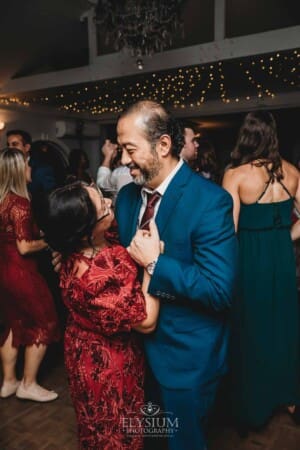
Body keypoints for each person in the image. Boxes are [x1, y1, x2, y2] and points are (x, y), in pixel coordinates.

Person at [115, 100, 238, 450]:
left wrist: (157, 263)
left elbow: (219, 290)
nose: (123, 160)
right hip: (134, 353)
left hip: (185, 359)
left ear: (164, 145)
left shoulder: (210, 201)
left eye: (130, 149)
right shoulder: (126, 197)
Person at [41, 181, 160, 449]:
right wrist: (153, 264)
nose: (109, 204)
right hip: (105, 364)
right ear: (86, 230)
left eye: (103, 198)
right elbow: (147, 320)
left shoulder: (90, 240)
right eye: (103, 207)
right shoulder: (92, 278)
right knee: (113, 432)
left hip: (85, 347)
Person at [222, 111, 300, 430]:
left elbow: (229, 231)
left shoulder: (236, 175)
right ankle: (288, 396)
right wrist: (283, 238)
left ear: (246, 136)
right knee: (283, 324)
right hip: (282, 259)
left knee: (252, 327)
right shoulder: (293, 173)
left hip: (249, 261)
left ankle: (256, 402)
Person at [0, 148, 60, 402]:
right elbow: (25, 246)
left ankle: (9, 381)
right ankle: (29, 383)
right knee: (45, 322)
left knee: (15, 325)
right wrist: (48, 241)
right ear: (17, 170)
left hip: (4, 271)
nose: (30, 168)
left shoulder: (2, 201)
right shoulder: (20, 204)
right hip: (22, 272)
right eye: (26, 164)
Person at [6, 129, 57, 199]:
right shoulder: (6, 167)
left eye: (14, 144)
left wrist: (26, 183)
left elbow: (52, 198)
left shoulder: (42, 169)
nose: (10, 148)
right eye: (8, 145)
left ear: (27, 147)